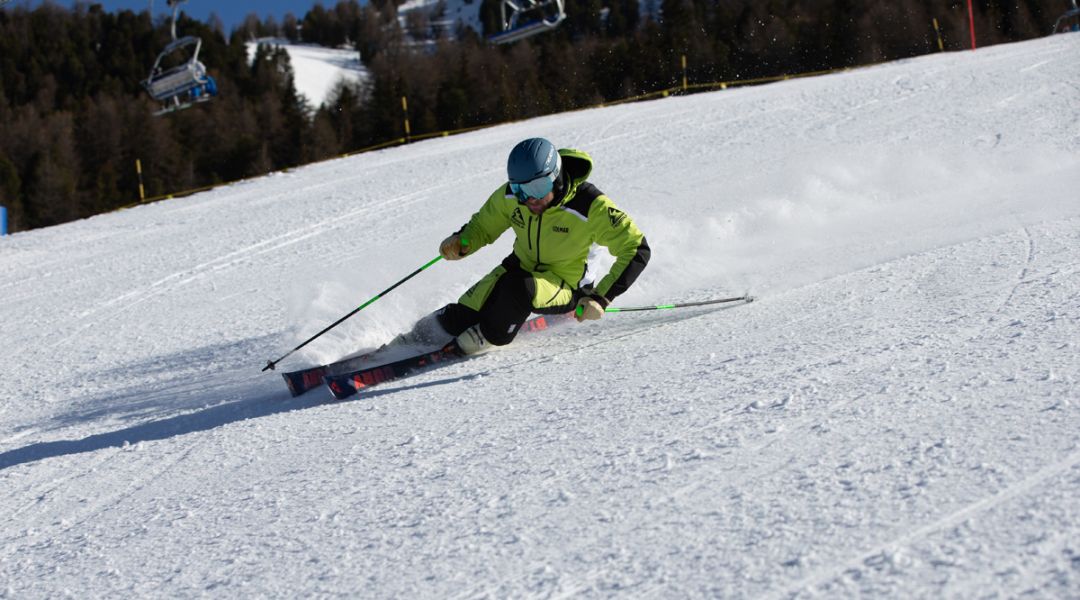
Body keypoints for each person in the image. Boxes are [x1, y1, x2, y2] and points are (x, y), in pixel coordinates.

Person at [397, 137, 650, 355]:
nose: (529, 198)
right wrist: (462, 242)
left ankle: (484, 335)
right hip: (519, 267)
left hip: (567, 284)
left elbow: (636, 248)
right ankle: (407, 342)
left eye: (538, 187)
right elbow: (483, 226)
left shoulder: (590, 206)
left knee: (518, 291)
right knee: (462, 313)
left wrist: (601, 297)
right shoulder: (512, 197)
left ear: (556, 177)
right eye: (520, 189)